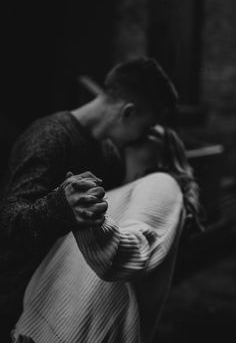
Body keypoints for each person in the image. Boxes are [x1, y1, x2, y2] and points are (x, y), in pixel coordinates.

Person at [0, 57, 178, 339]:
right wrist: (61, 206)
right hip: (23, 305)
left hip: (72, 296)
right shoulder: (49, 136)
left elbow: (116, 208)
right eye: (145, 128)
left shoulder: (108, 150)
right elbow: (8, 226)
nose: (143, 137)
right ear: (128, 111)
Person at [12, 127, 199, 343]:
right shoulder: (117, 191)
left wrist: (85, 213)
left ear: (169, 152)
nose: (142, 129)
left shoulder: (163, 182)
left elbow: (126, 256)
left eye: (152, 131)